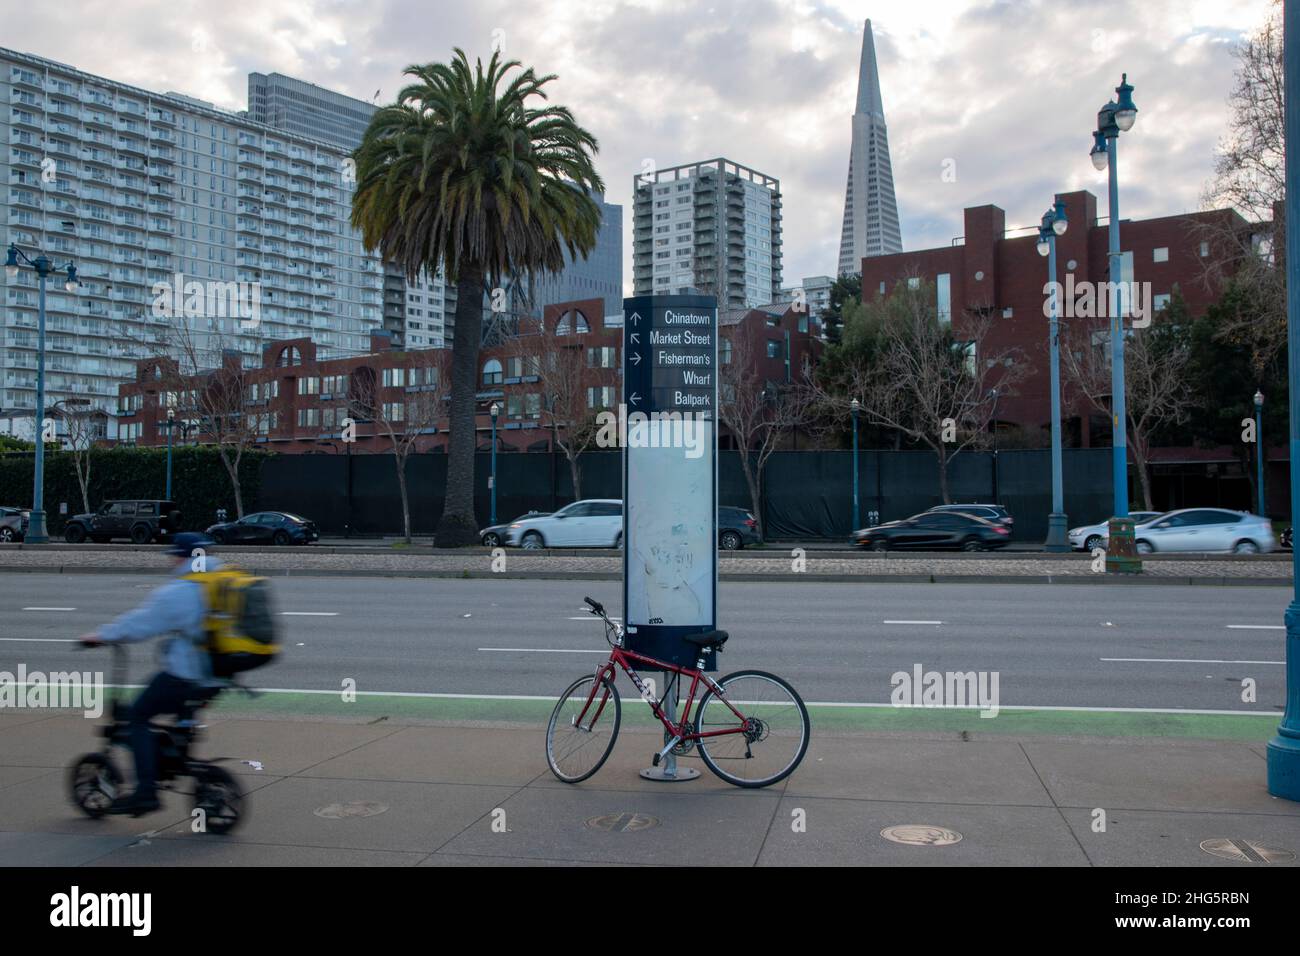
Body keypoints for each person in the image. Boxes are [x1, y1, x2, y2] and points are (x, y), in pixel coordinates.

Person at [80, 532, 221, 816]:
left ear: (184, 557)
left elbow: (141, 624)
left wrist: (102, 636)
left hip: (186, 674)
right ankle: (176, 757)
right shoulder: (223, 580)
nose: (171, 561)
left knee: (137, 716)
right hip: (218, 674)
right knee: (182, 714)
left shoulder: (181, 591)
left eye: (175, 556)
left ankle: (146, 791)